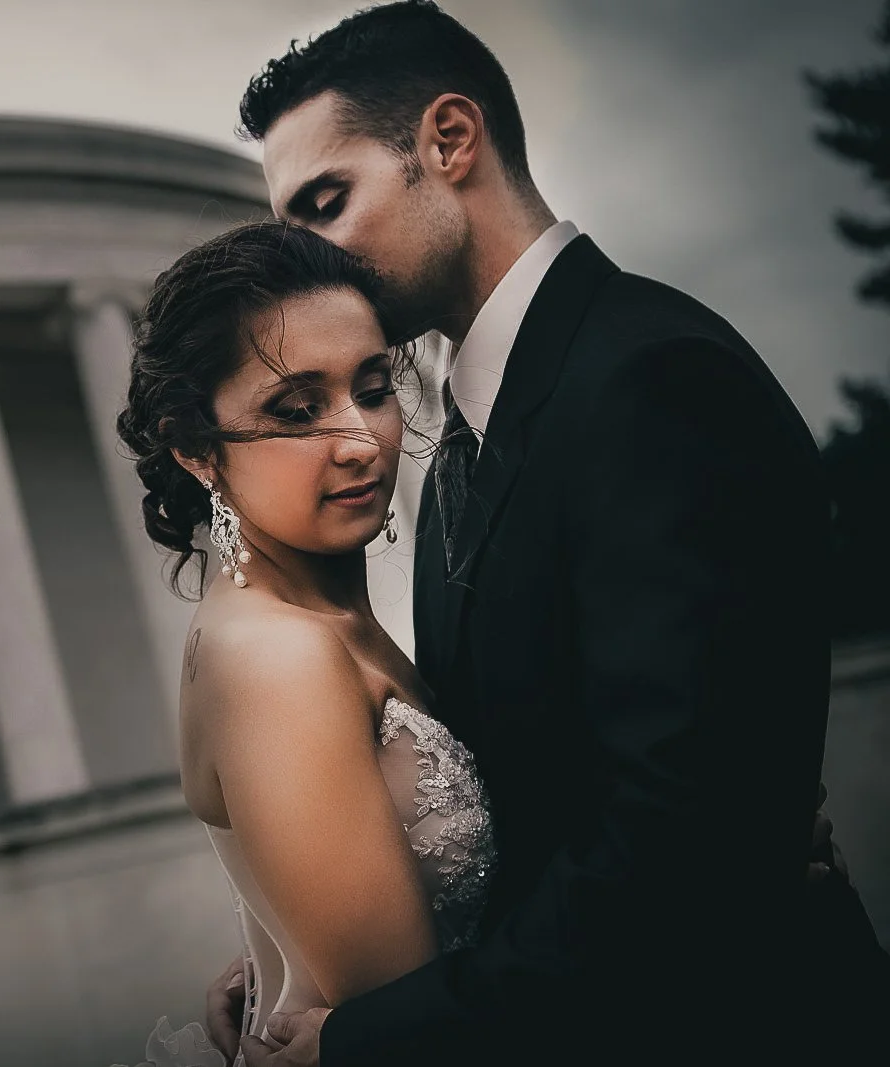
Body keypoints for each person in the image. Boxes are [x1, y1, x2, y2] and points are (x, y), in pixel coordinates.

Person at [141, 2, 887, 1063]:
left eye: (324, 201)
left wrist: (371, 1035)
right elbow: (531, 786)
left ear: (448, 141)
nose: (305, 258)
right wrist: (297, 942)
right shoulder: (456, 444)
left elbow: (686, 838)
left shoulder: (649, 378)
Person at [112, 219, 494, 1067]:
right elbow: (409, 1029)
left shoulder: (323, 620)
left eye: (371, 386)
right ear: (197, 449)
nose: (360, 440)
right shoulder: (275, 658)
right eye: (296, 409)